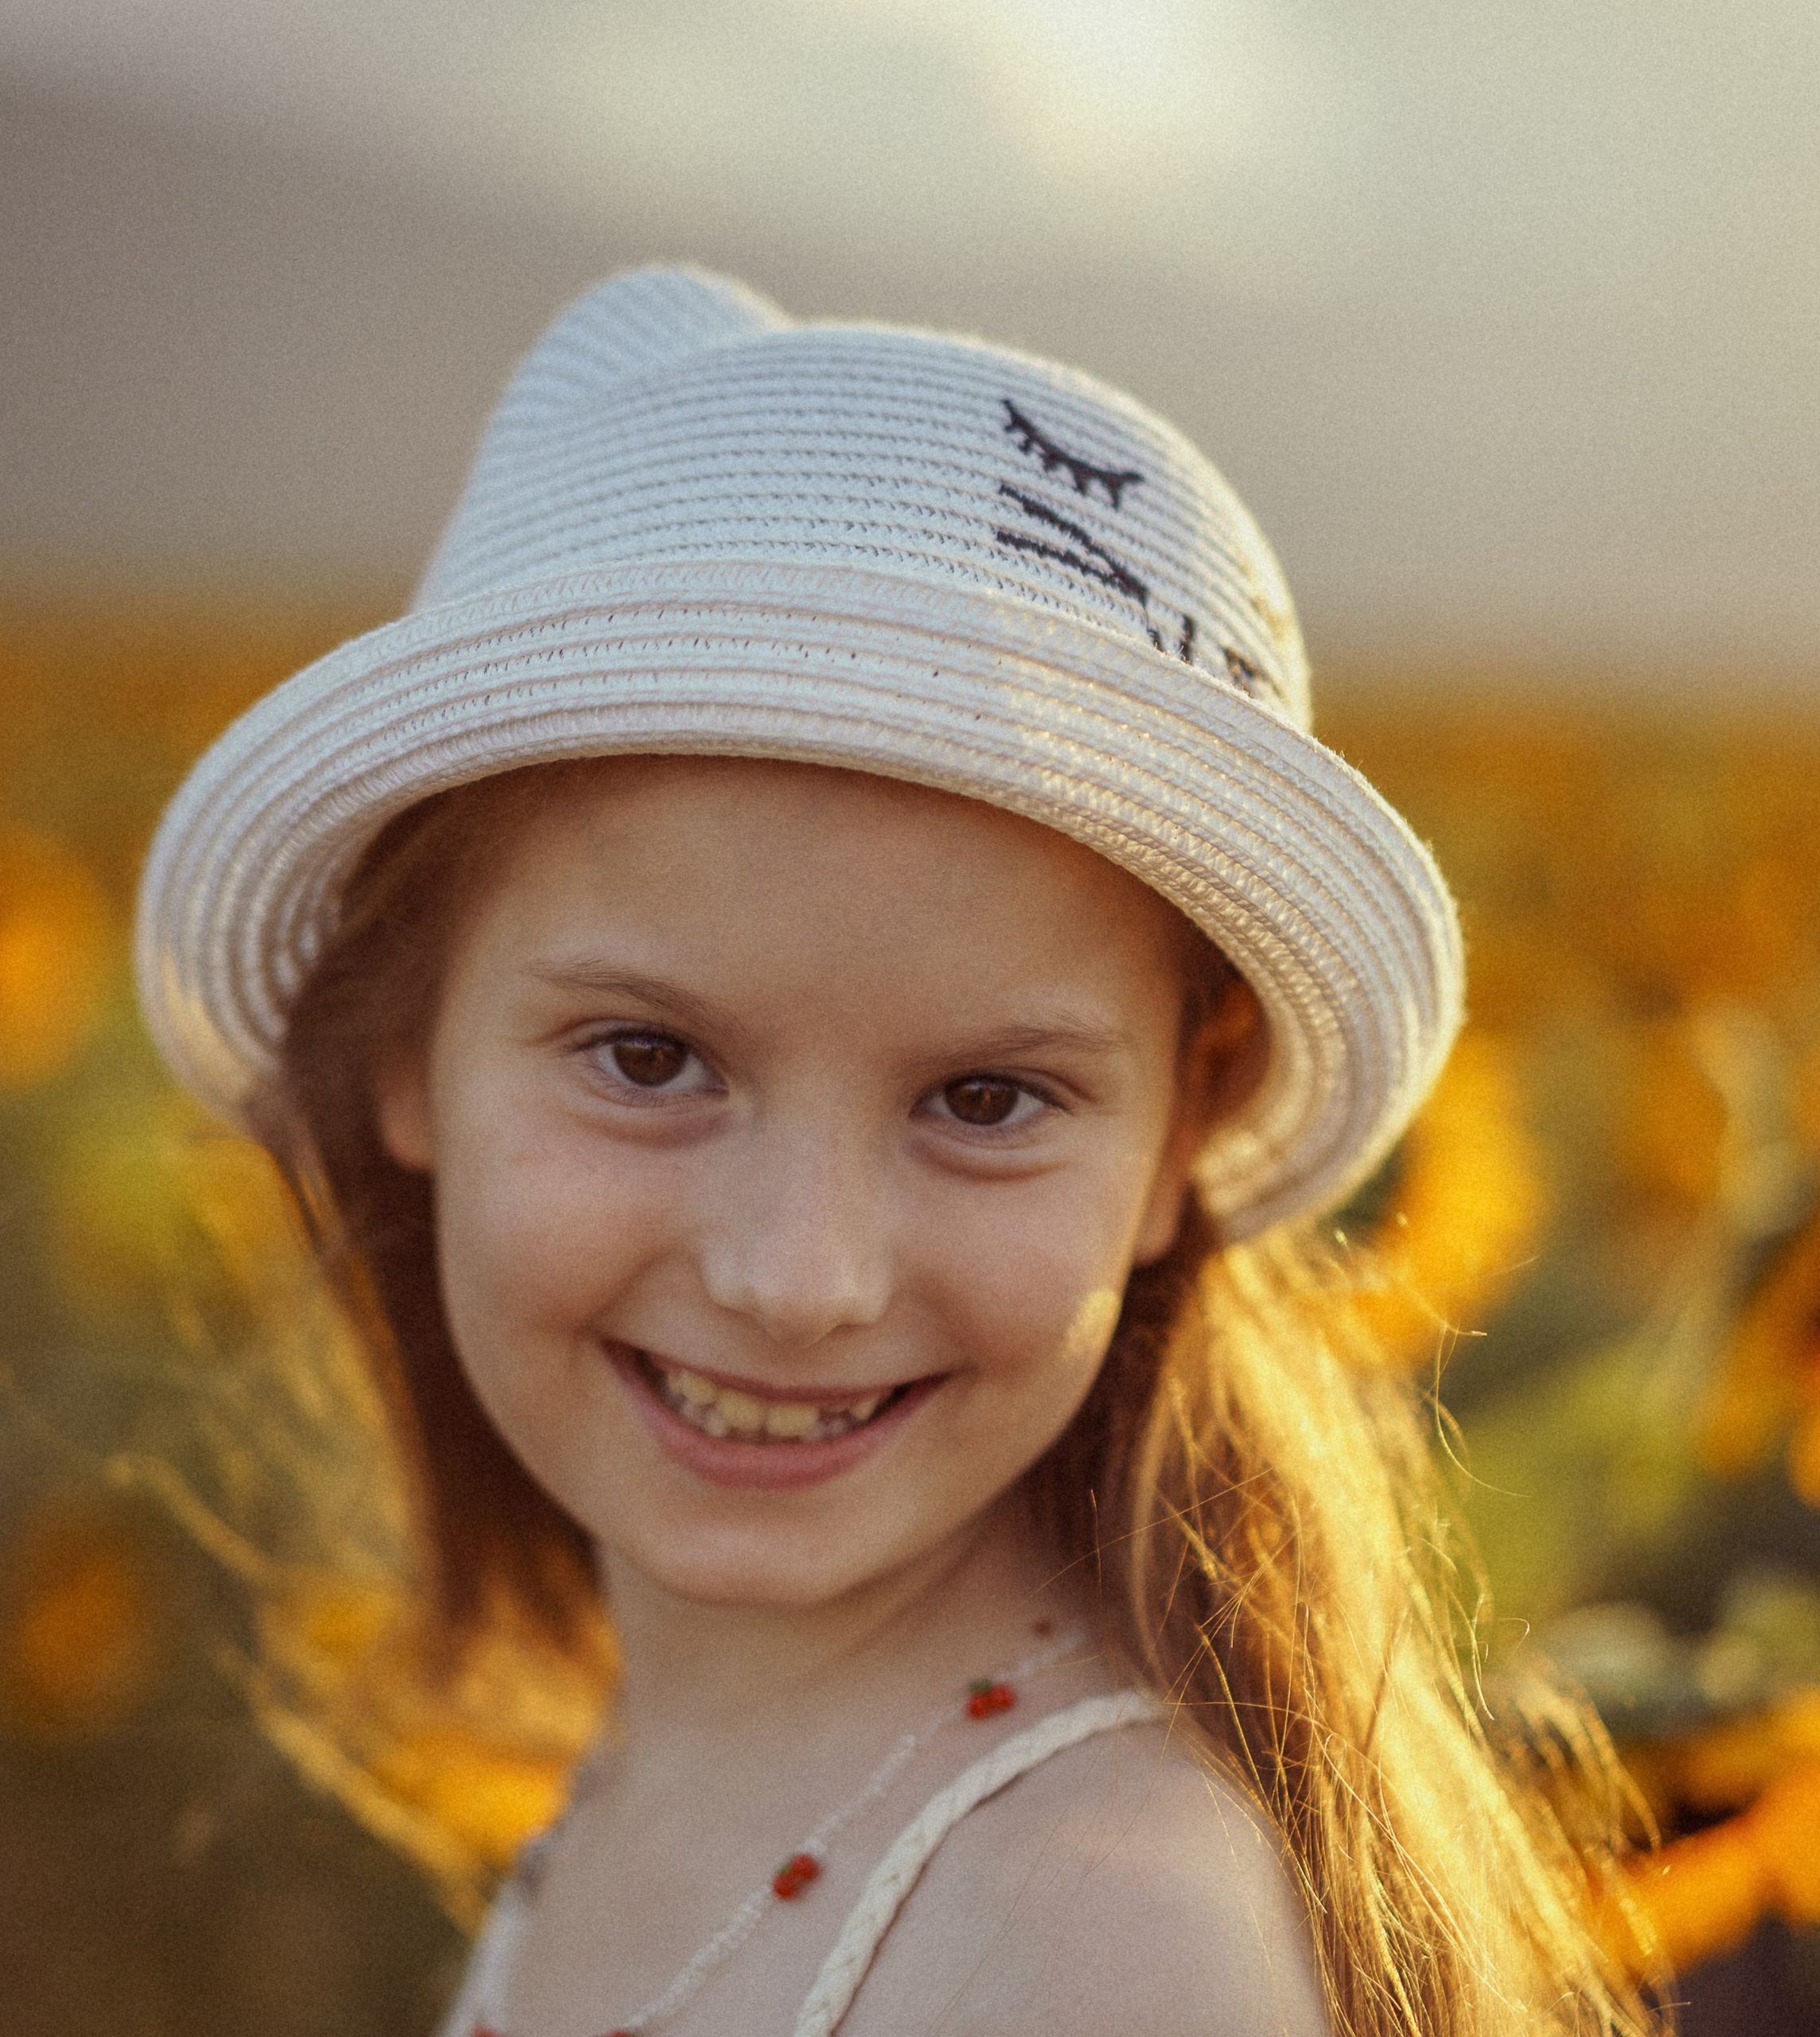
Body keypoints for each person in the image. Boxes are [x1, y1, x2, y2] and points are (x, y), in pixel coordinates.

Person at [134, 268, 1659, 2036]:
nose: (799, 1275)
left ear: (1185, 1124)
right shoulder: (702, 1752)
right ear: (401, 1046)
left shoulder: (1094, 1949)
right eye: (649, 1058)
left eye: (987, 1098)